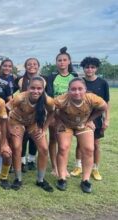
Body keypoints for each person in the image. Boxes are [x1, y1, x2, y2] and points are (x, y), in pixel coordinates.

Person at [55, 78, 107, 193]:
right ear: (68, 90)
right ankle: (62, 177)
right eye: (73, 89)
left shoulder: (92, 98)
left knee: (89, 149)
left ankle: (86, 180)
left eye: (80, 89)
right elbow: (52, 110)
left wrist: (90, 120)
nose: (77, 92)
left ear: (85, 90)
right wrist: (59, 121)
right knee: (63, 147)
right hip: (66, 124)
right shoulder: (61, 100)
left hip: (83, 124)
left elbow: (104, 108)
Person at [7, 76, 55, 192]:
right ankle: (18, 179)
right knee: (17, 147)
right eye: (33, 88)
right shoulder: (20, 97)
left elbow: (52, 111)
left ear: (43, 89)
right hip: (17, 121)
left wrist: (44, 128)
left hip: (33, 123)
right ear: (28, 88)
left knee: (43, 148)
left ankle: (41, 180)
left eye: (39, 88)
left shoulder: (47, 100)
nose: (36, 91)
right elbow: (7, 108)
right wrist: (10, 126)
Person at [70, 57, 109, 181]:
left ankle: (95, 168)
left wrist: (106, 120)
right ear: (83, 68)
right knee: (80, 143)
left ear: (96, 68)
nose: (89, 69)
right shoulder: (79, 82)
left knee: (96, 144)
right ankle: (78, 166)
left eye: (92, 67)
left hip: (96, 118)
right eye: (87, 67)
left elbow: (106, 103)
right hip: (80, 117)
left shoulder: (103, 83)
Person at [45, 47, 78, 177]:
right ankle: (54, 167)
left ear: (69, 61)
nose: (62, 62)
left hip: (70, 114)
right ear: (56, 62)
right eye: (59, 60)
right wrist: (52, 113)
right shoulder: (52, 77)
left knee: (65, 142)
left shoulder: (74, 76)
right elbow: (49, 96)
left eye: (65, 60)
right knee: (53, 139)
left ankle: (62, 167)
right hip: (55, 113)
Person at [14, 58, 44, 173]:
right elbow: (12, 92)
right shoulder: (20, 80)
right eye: (29, 64)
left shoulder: (44, 79)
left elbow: (48, 95)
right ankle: (22, 161)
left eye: (34, 64)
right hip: (23, 114)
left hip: (38, 112)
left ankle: (31, 159)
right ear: (25, 66)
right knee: (23, 137)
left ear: (38, 66)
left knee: (35, 136)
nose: (32, 66)